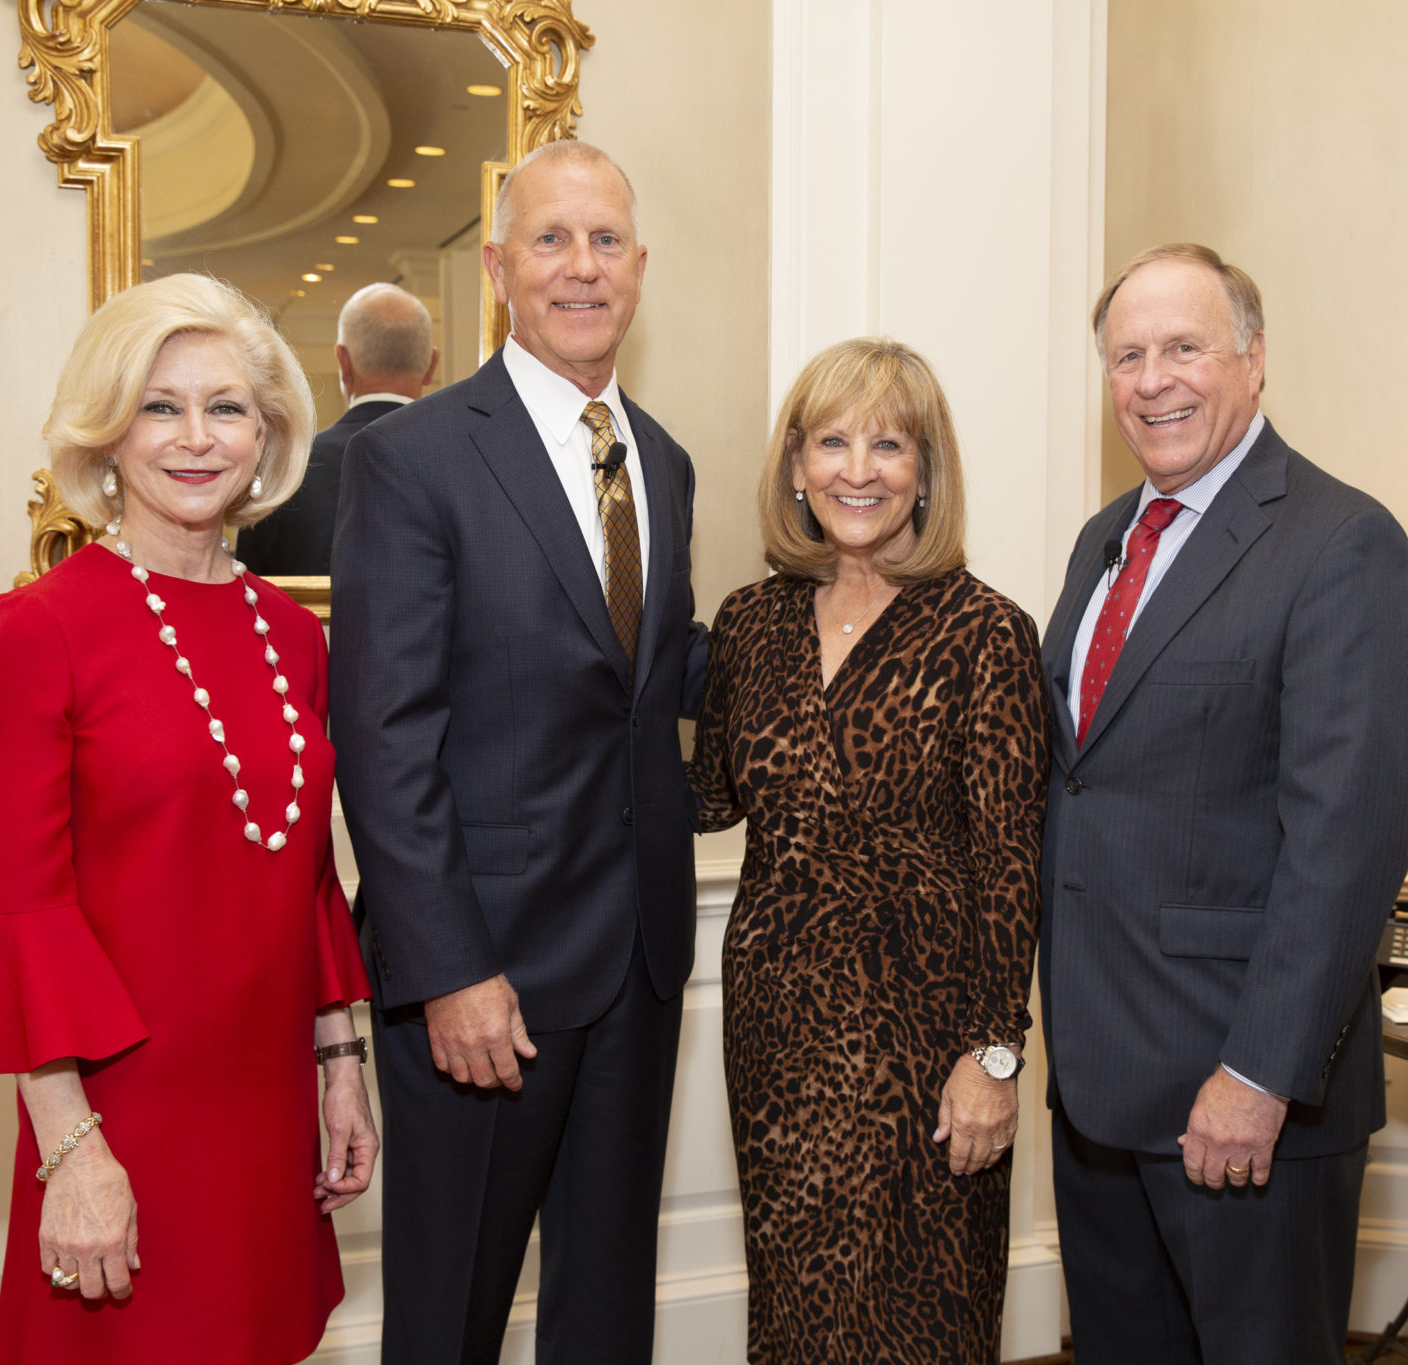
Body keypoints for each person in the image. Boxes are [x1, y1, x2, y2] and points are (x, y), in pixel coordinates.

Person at [0, 273, 377, 1364]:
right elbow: (24, 913)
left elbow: (302, 875)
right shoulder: (36, 631)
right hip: (121, 1104)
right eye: (160, 406)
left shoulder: (291, 636)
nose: (196, 438)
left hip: (262, 1102)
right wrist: (70, 1148)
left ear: (267, 436)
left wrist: (339, 1063)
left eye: (227, 407)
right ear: (107, 431)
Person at [330, 140, 706, 1365]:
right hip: (480, 980)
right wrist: (447, 970)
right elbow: (383, 738)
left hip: (637, 967)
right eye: (550, 240)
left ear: (640, 268)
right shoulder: (413, 458)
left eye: (605, 242)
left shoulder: (663, 460)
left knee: (606, 1313)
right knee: (450, 1320)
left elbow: (650, 685)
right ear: (497, 267)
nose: (580, 268)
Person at [1040, 243, 1408, 1363]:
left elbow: (1343, 845)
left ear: (1252, 362)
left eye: (1182, 348)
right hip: (1100, 1091)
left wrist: (1256, 1077)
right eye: (1126, 355)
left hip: (1238, 1098)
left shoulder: (1340, 545)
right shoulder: (1105, 539)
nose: (1150, 379)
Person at [689, 337, 1048, 1364]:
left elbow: (1008, 867)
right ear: (795, 465)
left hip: (927, 1044)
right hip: (775, 1036)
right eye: (832, 442)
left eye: (887, 445)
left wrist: (992, 1054)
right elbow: (703, 800)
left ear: (925, 472)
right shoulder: (749, 625)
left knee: (923, 1322)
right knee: (795, 1312)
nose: (858, 469)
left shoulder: (986, 633)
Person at [239, 281, 439, 576]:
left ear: (343, 361)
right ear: (431, 365)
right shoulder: (472, 464)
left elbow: (250, 594)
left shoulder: (285, 470)